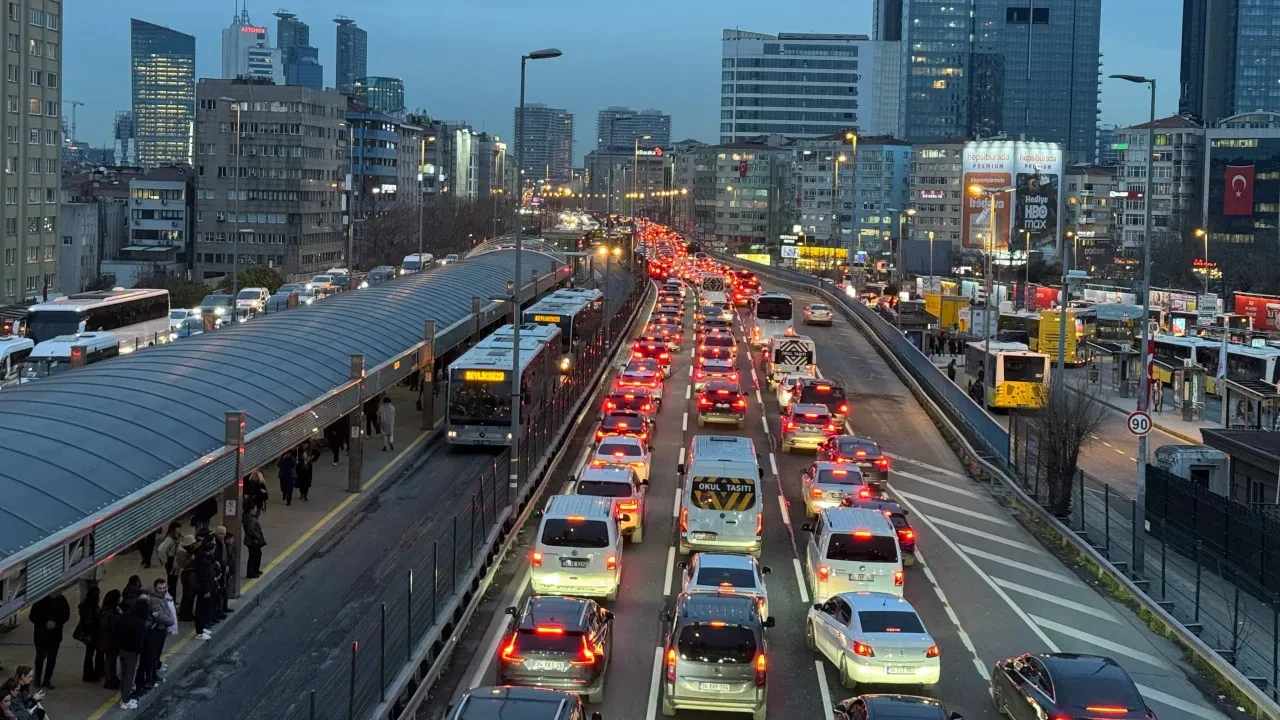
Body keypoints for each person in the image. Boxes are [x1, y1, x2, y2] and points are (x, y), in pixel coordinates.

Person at [28, 590, 69, 689]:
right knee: (40, 657)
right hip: (41, 634)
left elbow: (66, 615)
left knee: (51, 658)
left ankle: (47, 679)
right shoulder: (40, 600)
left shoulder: (62, 600)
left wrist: (56, 623)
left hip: (55, 634)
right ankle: (37, 679)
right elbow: (32, 616)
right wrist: (45, 623)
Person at [114, 600, 150, 710]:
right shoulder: (139, 624)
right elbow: (139, 640)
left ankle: (123, 695)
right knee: (129, 675)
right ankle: (126, 699)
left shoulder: (124, 617)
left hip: (122, 649)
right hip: (132, 652)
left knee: (124, 673)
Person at [74, 584, 102, 682]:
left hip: (91, 634)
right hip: (92, 634)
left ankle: (89, 673)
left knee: (89, 654)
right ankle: (89, 674)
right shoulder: (91, 608)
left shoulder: (87, 607)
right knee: (91, 654)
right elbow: (89, 622)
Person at [192, 540, 217, 641]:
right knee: (201, 610)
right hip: (204, 589)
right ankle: (199, 632)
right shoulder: (203, 562)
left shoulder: (204, 559)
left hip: (206, 587)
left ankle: (202, 628)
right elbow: (204, 578)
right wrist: (206, 590)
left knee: (205, 609)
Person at [98, 590, 122, 690]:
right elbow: (116, 623)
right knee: (110, 660)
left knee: (110, 659)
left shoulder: (105, 610)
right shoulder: (111, 613)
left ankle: (112, 678)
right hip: (110, 639)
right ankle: (110, 680)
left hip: (107, 639)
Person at [156, 522, 183, 607]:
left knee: (174, 582)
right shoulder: (170, 539)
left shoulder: (176, 537)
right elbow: (161, 550)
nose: (180, 529)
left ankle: (172, 599)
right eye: (178, 527)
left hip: (175, 560)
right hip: (171, 561)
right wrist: (165, 561)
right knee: (172, 583)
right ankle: (171, 600)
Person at [175, 535, 199, 622]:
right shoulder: (182, 552)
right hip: (186, 574)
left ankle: (188, 613)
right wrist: (192, 559)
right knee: (187, 595)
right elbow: (184, 564)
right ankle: (183, 614)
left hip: (190, 573)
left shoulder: (187, 550)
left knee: (191, 595)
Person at [244, 506, 266, 578]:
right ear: (251, 510)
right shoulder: (252, 519)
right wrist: (258, 536)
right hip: (252, 541)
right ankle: (251, 573)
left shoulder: (250, 518)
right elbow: (251, 530)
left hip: (252, 540)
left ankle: (255, 570)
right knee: (253, 556)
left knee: (257, 555)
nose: (256, 510)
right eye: (255, 509)